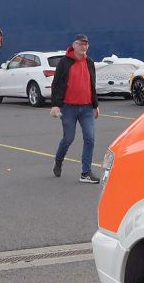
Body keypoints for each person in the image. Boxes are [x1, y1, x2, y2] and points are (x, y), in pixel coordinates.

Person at [50, 34, 100, 183]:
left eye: (86, 44)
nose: (84, 47)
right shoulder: (65, 63)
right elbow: (56, 84)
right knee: (68, 138)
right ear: (74, 45)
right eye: (81, 44)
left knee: (90, 138)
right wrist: (55, 105)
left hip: (87, 108)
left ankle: (85, 173)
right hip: (69, 108)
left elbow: (92, 84)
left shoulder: (89, 62)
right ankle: (58, 161)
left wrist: (95, 105)